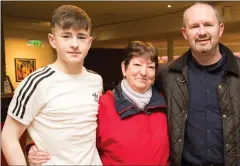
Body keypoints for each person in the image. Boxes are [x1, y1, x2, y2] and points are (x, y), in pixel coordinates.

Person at [27, 41, 170, 165]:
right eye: (137, 64)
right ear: (123, 68)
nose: (144, 72)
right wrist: (36, 146)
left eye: (150, 67)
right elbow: (72, 134)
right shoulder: (103, 105)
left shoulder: (167, 104)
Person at [1, 5, 103, 165]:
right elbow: (8, 136)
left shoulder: (96, 80)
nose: (75, 44)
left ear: (89, 43)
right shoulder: (36, 82)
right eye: (66, 36)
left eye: (81, 37)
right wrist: (30, 147)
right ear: (52, 40)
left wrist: (31, 143)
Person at [156, 2, 240, 165]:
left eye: (208, 25)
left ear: (220, 29)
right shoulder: (168, 76)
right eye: (194, 26)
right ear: (185, 33)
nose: (202, 32)